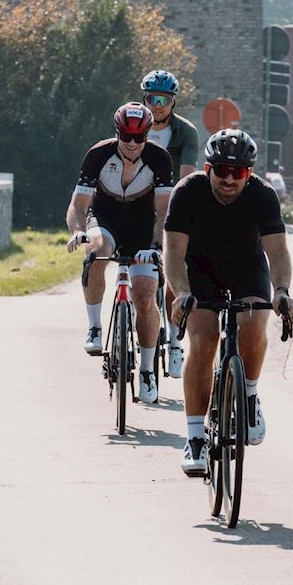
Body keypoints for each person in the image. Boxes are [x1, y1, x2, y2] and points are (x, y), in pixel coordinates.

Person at [163, 128, 293, 476]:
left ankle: (249, 395)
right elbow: (173, 254)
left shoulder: (263, 196)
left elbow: (278, 252)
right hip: (199, 272)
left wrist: (281, 291)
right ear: (208, 169)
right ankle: (194, 439)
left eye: (237, 172)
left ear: (248, 174)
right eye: (221, 170)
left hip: (246, 269)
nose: (228, 179)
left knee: (253, 325)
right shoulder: (187, 192)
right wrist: (181, 292)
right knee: (204, 341)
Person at [65, 102, 174, 405]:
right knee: (99, 248)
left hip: (143, 227)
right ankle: (94, 327)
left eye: (140, 138)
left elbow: (165, 211)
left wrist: (155, 247)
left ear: (148, 137)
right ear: (118, 133)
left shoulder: (159, 159)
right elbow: (78, 206)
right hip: (106, 220)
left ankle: (148, 370)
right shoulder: (98, 155)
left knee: (144, 295)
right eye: (126, 136)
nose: (132, 143)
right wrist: (77, 230)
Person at [140, 69, 201, 383]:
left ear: (173, 102)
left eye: (163, 100)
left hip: (172, 207)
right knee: (141, 278)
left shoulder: (185, 132)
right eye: (152, 98)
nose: (157, 105)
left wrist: (172, 217)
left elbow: (188, 178)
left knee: (172, 273)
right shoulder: (135, 124)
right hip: (138, 204)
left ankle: (175, 341)